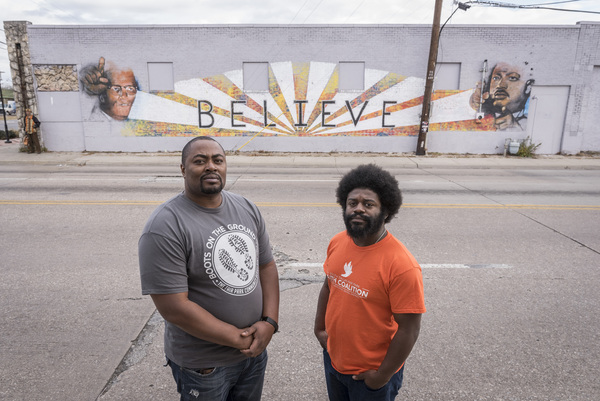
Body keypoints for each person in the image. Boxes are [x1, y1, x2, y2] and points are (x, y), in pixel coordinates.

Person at [139, 136, 279, 401]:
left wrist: (270, 322)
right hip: (204, 366)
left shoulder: (246, 208)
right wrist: (238, 338)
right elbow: (173, 307)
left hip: (254, 355)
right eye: (200, 161)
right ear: (183, 169)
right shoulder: (165, 225)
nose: (211, 166)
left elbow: (267, 266)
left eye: (218, 160)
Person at [314, 164, 425, 401]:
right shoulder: (338, 242)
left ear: (386, 211)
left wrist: (381, 376)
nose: (358, 209)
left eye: (368, 204)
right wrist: (319, 329)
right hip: (334, 359)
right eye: (352, 203)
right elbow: (328, 286)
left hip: (370, 374)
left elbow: (409, 329)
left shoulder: (402, 265)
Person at [470, 62, 534, 130]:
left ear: (528, 87)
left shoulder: (531, 123)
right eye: (496, 78)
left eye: (512, 78)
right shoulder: (478, 110)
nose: (500, 85)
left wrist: (514, 129)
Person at [80, 57, 138, 121]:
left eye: (130, 89)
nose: (124, 95)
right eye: (116, 89)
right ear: (103, 96)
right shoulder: (94, 119)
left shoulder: (139, 119)